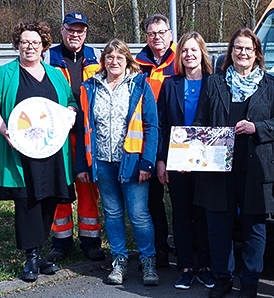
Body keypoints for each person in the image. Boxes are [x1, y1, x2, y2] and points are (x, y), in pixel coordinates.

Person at [192, 28, 274, 298]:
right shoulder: (214, 83)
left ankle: (249, 283)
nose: (243, 53)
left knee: (254, 228)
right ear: (230, 52)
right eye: (237, 48)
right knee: (219, 227)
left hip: (256, 169)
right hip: (218, 168)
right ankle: (222, 278)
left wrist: (257, 127)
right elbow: (200, 122)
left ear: (257, 54)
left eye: (248, 49)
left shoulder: (270, 85)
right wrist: (191, 151)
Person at [0, 21, 74, 281]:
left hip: (52, 150)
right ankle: (31, 258)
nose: (29, 47)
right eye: (24, 42)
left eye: (35, 42)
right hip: (20, 151)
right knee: (27, 201)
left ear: (44, 46)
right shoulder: (5, 74)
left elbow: (70, 101)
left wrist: (72, 114)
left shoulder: (56, 74)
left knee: (50, 198)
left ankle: (40, 251)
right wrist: (4, 130)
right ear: (17, 45)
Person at [75, 39, 159, 286]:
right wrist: (82, 164)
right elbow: (84, 128)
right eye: (109, 57)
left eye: (119, 58)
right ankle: (119, 260)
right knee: (112, 214)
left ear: (127, 60)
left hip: (132, 162)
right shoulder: (90, 87)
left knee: (139, 214)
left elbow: (151, 126)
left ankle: (148, 262)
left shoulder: (140, 85)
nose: (114, 62)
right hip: (102, 162)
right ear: (103, 61)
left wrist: (148, 162)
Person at [42, 11, 105, 263]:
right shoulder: (49, 57)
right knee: (60, 188)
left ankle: (90, 241)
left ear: (86, 33)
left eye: (80, 30)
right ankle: (61, 241)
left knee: (89, 187)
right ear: (62, 30)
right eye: (71, 29)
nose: (75, 34)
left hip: (87, 134)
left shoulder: (97, 56)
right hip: (57, 134)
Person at [156, 31, 216, 290]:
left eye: (194, 50)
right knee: (181, 214)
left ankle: (205, 265)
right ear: (179, 56)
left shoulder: (216, 83)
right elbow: (161, 124)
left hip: (207, 161)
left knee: (204, 214)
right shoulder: (170, 84)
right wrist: (161, 160)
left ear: (202, 52)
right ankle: (185, 267)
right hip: (177, 161)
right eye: (185, 51)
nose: (189, 55)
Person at [136, 13, 176, 268]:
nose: (157, 38)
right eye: (151, 34)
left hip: (179, 139)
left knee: (186, 201)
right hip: (149, 140)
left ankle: (190, 250)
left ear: (170, 35)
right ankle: (159, 249)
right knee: (153, 201)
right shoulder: (137, 64)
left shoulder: (182, 60)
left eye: (161, 33)